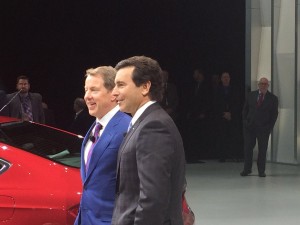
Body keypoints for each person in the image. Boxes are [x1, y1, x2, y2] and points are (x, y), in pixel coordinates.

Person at [111, 56, 186, 225]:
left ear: (145, 87)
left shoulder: (153, 126)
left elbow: (153, 198)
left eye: (121, 85)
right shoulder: (145, 122)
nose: (114, 92)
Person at [74, 66, 131, 225]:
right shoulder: (94, 127)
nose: (87, 96)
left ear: (113, 94)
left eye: (94, 90)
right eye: (86, 90)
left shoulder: (127, 128)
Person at [240, 77, 278, 177]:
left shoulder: (273, 98)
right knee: (248, 148)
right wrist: (245, 122)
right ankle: (247, 169)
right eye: (261, 84)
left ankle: (261, 171)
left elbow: (274, 114)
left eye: (265, 84)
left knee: (262, 150)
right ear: (258, 85)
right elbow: (245, 110)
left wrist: (269, 127)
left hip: (263, 128)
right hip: (249, 127)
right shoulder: (251, 95)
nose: (263, 85)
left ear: (268, 85)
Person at [214, 72, 241, 162]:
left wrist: (231, 113)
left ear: (230, 79)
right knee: (222, 136)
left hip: (233, 116)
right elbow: (215, 104)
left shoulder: (235, 90)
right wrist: (223, 113)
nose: (226, 79)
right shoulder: (217, 90)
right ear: (221, 79)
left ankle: (234, 154)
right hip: (221, 116)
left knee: (233, 136)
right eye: (224, 77)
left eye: (227, 77)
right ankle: (222, 156)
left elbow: (238, 103)